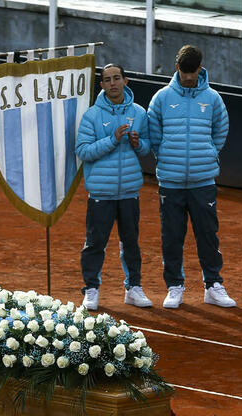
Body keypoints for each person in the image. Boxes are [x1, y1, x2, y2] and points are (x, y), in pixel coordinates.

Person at [146, 44, 233, 309]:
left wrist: (208, 153)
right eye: (183, 71)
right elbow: (153, 133)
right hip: (170, 181)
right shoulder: (161, 98)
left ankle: (213, 285)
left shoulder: (213, 99)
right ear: (177, 68)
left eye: (192, 72)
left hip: (202, 180)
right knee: (172, 236)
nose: (187, 77)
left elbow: (221, 129)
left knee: (208, 235)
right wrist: (165, 156)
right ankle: (174, 286)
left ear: (200, 69)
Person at [75, 63, 153, 311]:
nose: (113, 83)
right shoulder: (92, 115)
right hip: (101, 192)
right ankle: (91, 289)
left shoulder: (139, 113)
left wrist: (138, 144)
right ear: (102, 85)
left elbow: (147, 148)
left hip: (129, 191)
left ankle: (133, 288)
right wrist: (112, 139)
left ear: (125, 81)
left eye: (116, 78)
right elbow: (83, 151)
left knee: (130, 242)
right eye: (107, 80)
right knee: (95, 243)